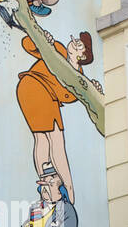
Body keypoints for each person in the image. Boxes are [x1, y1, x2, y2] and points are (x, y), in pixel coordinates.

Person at [16, 31, 99, 203]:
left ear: (83, 55)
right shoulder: (58, 49)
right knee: (55, 139)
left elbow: (67, 96)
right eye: (77, 40)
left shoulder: (79, 77)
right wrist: (41, 38)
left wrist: (93, 90)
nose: (76, 42)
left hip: (36, 91)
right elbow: (27, 45)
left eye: (81, 45)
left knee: (44, 139)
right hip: (35, 87)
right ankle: (68, 188)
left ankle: (46, 181)